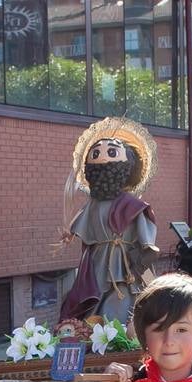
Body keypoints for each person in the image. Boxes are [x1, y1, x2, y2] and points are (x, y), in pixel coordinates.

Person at [61, 117, 159, 323]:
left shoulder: (133, 205)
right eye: (96, 153)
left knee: (121, 304)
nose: (103, 156)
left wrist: (139, 263)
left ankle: (119, 342)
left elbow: (146, 240)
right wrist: (69, 234)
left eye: (112, 152)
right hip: (96, 265)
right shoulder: (92, 204)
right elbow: (83, 227)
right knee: (90, 304)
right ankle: (94, 341)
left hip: (124, 266)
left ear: (127, 165)